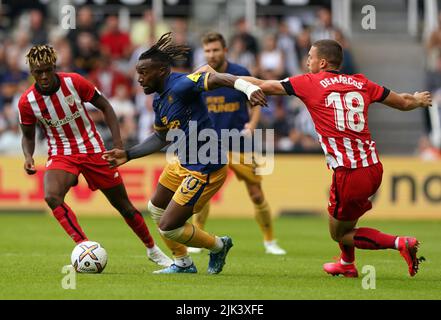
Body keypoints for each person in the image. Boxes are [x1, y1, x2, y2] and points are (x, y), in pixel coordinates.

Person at [236, 39, 430, 277]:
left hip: (349, 173)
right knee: (348, 222)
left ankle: (400, 243)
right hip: (373, 168)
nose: (307, 60)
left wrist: (226, 80)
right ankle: (347, 264)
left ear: (323, 62)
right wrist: (418, 100)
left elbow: (262, 85)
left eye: (310, 56)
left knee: (338, 233)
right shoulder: (361, 82)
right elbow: (402, 102)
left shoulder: (309, 82)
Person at [103, 32, 266, 274]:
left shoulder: (182, 85)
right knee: (155, 209)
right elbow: (161, 136)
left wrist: (247, 88)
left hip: (205, 168)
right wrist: (128, 154)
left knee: (169, 226)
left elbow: (219, 77)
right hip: (183, 163)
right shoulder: (160, 100)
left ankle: (219, 246)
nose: (139, 79)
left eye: (143, 73)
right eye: (138, 73)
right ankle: (183, 263)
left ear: (160, 71)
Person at [18, 44, 172, 268]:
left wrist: (118, 144)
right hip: (62, 153)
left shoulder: (74, 82)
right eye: (38, 72)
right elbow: (28, 136)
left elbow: (106, 107)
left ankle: (152, 250)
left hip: (93, 149)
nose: (43, 76)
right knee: (51, 196)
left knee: (125, 207)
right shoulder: (27, 102)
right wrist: (28, 156)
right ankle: (84, 246)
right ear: (32, 72)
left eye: (47, 70)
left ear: (54, 67)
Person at [187, 32, 286, 255]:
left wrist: (252, 123)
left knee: (256, 194)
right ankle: (197, 239)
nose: (211, 55)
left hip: (238, 143)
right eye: (208, 51)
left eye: (215, 50)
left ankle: (270, 241)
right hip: (209, 143)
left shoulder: (240, 74)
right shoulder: (200, 76)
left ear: (225, 51)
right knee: (202, 193)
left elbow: (257, 100)